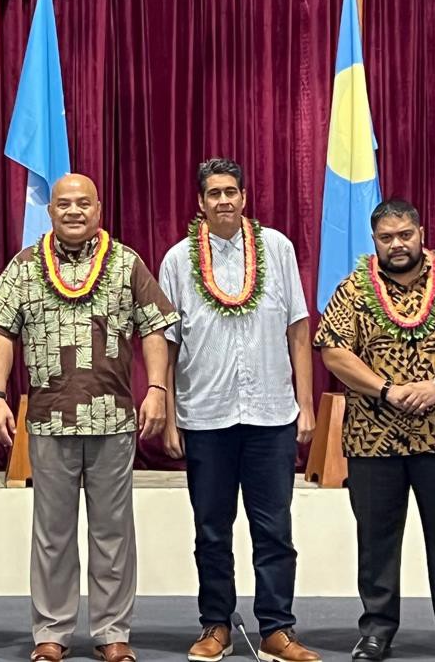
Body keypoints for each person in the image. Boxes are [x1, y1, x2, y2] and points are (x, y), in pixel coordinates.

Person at [0, 173, 177, 662]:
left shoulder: (127, 263)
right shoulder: (25, 267)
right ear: (50, 212)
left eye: (82, 203)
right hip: (48, 423)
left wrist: (156, 389)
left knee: (113, 532)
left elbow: (154, 328)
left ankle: (113, 633)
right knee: (53, 533)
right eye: (63, 203)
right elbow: (2, 331)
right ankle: (52, 630)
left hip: (114, 422)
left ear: (99, 209)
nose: (73, 211)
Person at [313, 199, 435, 662]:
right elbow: (333, 351)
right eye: (386, 237)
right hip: (373, 439)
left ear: (421, 233)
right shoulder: (354, 291)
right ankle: (377, 630)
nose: (397, 245)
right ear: (373, 240)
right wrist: (386, 390)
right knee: (376, 538)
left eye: (404, 235)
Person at [157, 158, 322, 662]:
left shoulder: (277, 249)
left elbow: (298, 329)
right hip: (205, 416)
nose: (224, 200)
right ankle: (215, 625)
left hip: (272, 414)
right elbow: (164, 340)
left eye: (232, 191)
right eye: (214, 194)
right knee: (211, 529)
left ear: (244, 197)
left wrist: (307, 406)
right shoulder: (177, 260)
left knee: (274, 528)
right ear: (200, 203)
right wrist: (165, 408)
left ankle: (277, 629)